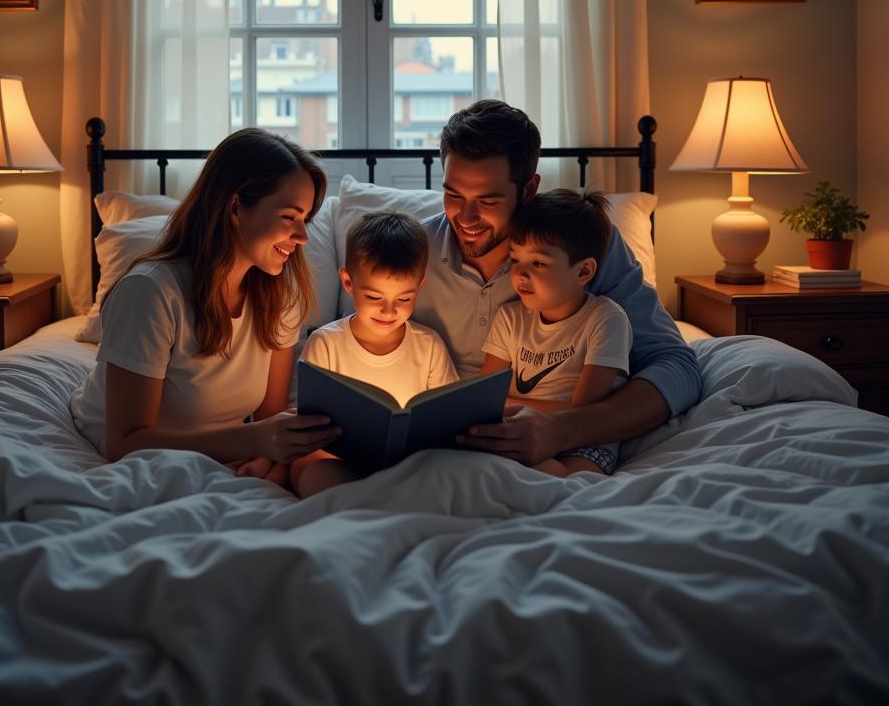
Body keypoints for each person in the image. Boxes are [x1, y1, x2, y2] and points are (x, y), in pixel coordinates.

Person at [409, 99, 701, 467]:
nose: (465, 217)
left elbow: (676, 366)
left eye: (488, 199)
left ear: (529, 189)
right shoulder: (410, 251)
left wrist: (565, 428)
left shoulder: (582, 245)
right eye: (453, 195)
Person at [69, 128, 342, 482]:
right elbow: (125, 443)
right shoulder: (150, 292)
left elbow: (266, 420)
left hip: (227, 451)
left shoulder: (280, 293)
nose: (303, 237)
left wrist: (262, 454)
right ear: (235, 207)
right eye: (290, 217)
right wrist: (255, 440)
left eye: (306, 220)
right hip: (132, 453)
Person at [291, 210, 459, 497]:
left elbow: (451, 417)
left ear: (419, 287)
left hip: (409, 466)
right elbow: (306, 426)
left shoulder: (428, 345)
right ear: (347, 282)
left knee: (453, 472)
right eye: (373, 297)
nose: (389, 311)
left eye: (404, 298)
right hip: (338, 463)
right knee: (314, 474)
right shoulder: (326, 344)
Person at [481, 189, 632, 477]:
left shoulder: (605, 319)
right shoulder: (510, 317)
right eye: (515, 260)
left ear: (584, 272)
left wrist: (511, 405)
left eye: (538, 263)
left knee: (558, 479)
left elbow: (581, 410)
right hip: (517, 428)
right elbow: (486, 396)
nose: (520, 274)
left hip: (583, 438)